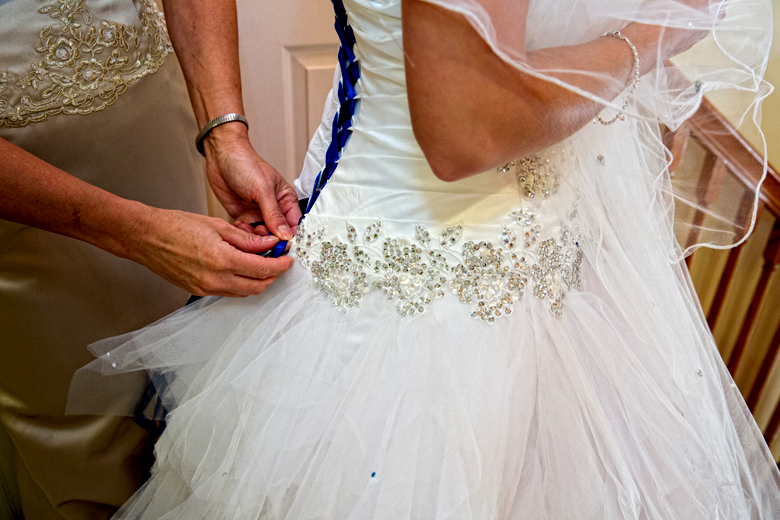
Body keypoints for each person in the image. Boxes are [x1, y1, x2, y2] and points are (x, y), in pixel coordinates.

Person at [69, 0, 780, 517]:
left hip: (554, 261)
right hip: (411, 288)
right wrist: (657, 34)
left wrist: (222, 126)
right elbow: (465, 131)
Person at [0, 0, 298, 517]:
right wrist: (138, 234)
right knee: (77, 431)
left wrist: (224, 130)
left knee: (186, 386)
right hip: (25, 182)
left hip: (151, 105)